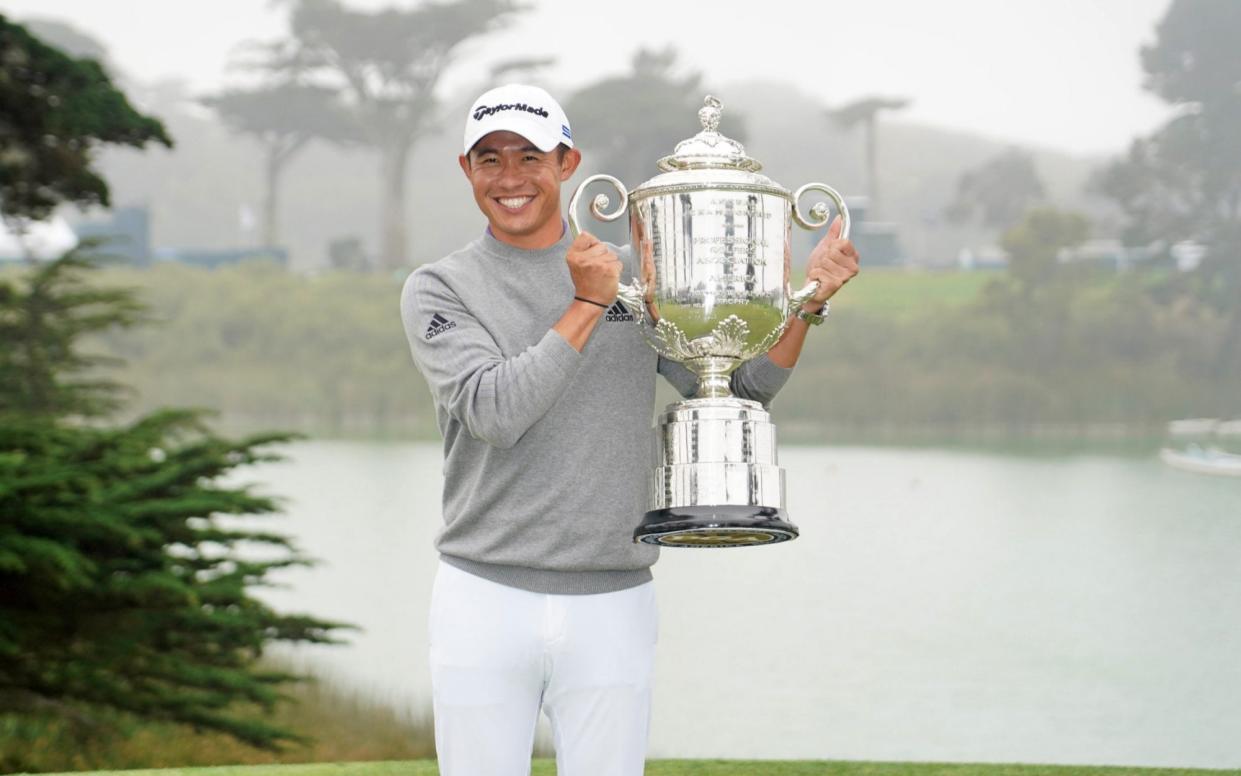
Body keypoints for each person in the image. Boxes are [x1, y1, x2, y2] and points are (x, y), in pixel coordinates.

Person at [399, 83, 859, 776]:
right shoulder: (441, 287)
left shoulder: (634, 277)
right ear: (467, 171)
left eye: (530, 155)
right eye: (489, 159)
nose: (510, 177)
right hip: (483, 596)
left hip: (613, 598)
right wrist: (587, 302)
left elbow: (740, 386)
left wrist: (808, 303)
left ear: (567, 163)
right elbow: (495, 413)